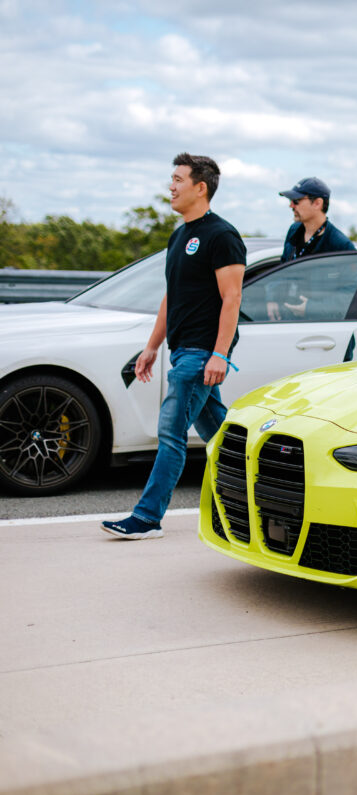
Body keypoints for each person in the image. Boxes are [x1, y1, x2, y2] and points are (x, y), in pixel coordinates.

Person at [101, 154, 246, 539]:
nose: (171, 186)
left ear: (201, 187)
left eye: (179, 179)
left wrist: (219, 353)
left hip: (201, 355)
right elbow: (173, 295)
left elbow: (232, 299)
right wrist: (151, 347)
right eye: (171, 178)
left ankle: (147, 518)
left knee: (170, 434)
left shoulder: (222, 236)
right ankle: (258, 497)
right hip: (183, 350)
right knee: (224, 438)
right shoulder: (179, 235)